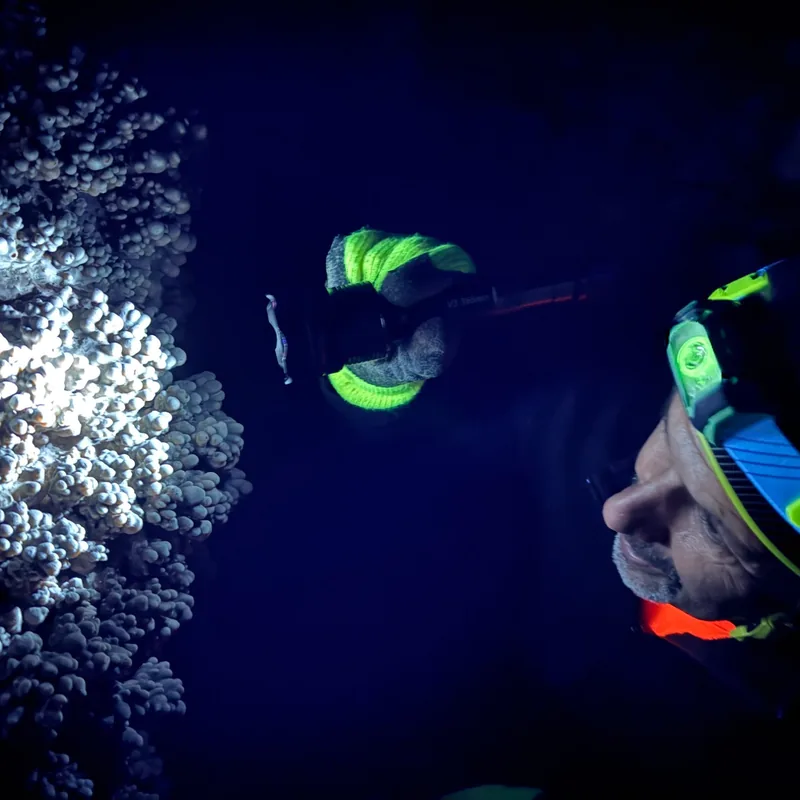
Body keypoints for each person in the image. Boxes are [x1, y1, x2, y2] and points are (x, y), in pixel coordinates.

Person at [311, 227, 800, 795]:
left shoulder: (749, 754)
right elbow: (411, 441)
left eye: (711, 528)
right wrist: (373, 376)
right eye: (669, 437)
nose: (619, 510)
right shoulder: (589, 409)